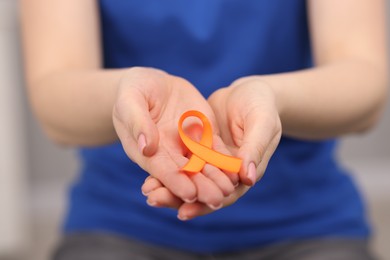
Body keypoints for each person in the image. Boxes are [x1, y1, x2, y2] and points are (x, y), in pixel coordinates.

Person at [20, 0, 388, 259]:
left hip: (308, 223)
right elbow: (55, 107)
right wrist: (125, 91)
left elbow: (363, 84)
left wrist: (272, 96)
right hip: (118, 222)